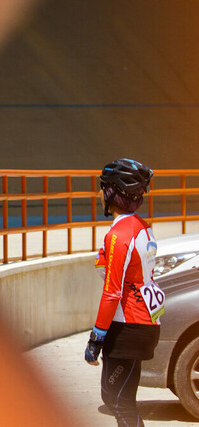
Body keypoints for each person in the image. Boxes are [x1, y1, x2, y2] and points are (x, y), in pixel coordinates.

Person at [85, 158, 164, 427]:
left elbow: (111, 292)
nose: (99, 193)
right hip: (144, 322)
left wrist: (96, 338)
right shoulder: (143, 226)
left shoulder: (119, 234)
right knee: (123, 399)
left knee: (117, 399)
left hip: (127, 324)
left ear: (112, 192)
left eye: (103, 187)